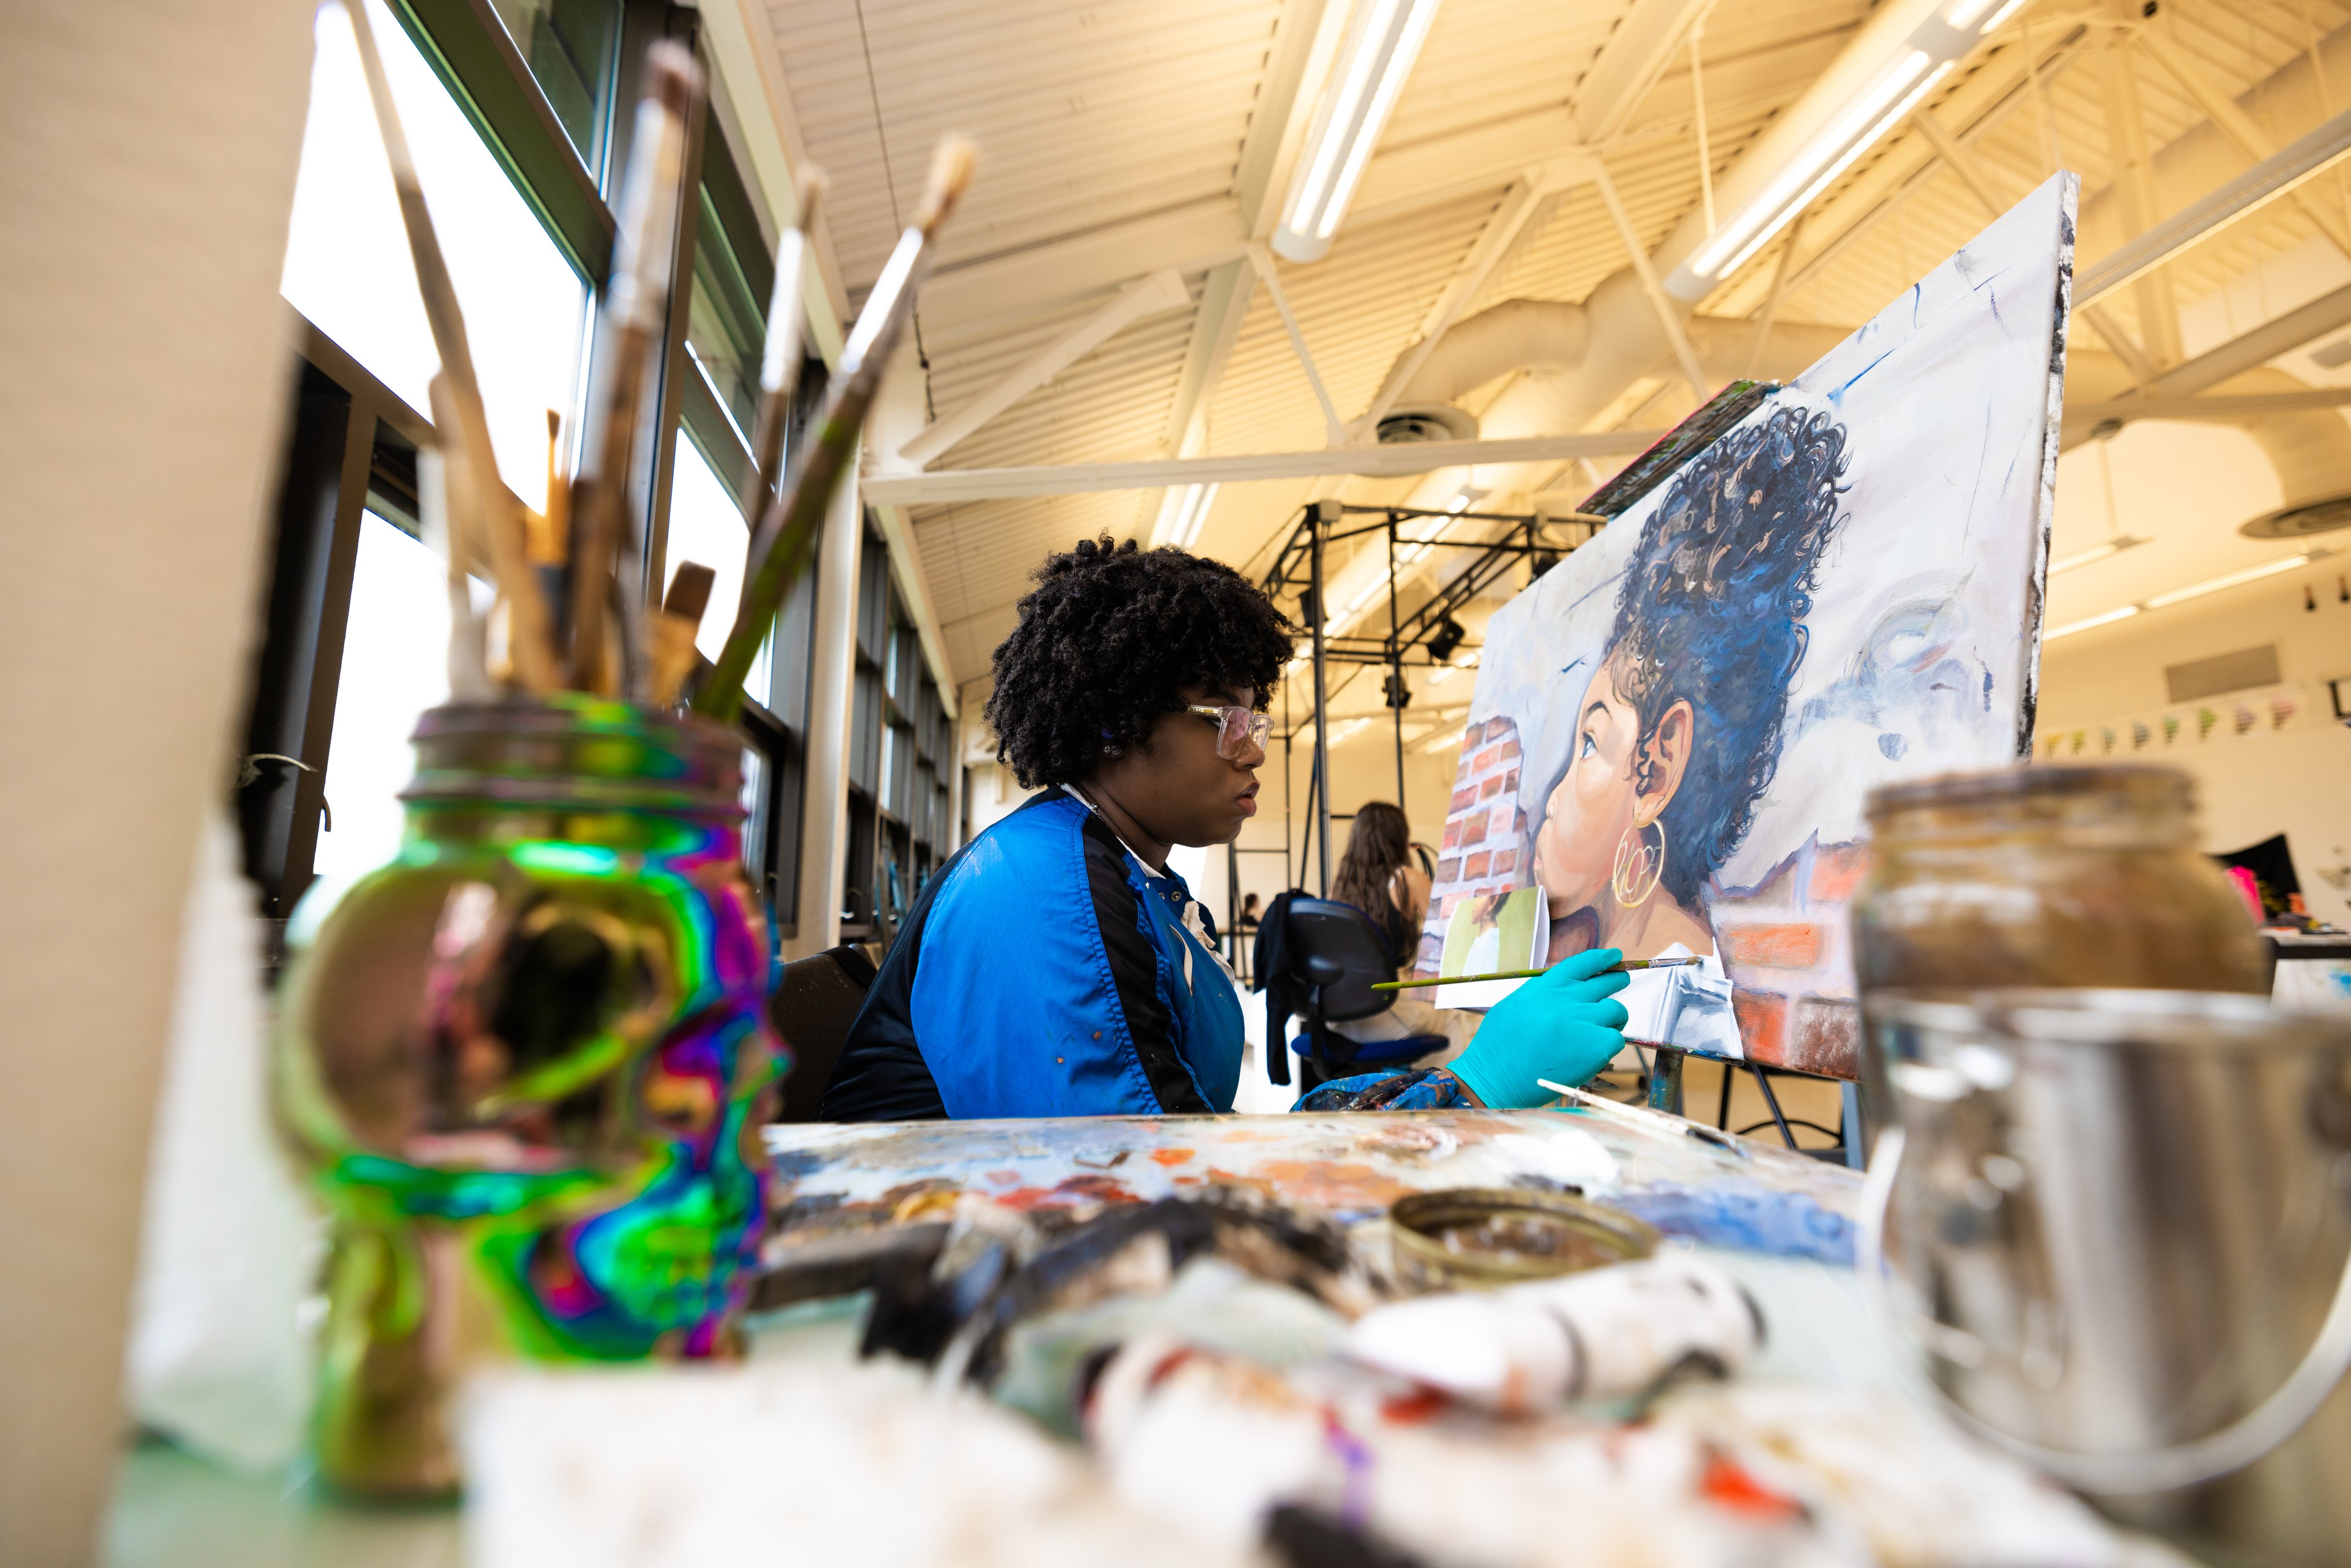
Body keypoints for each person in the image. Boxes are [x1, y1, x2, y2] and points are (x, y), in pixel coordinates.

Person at [820, 536, 1631, 1120]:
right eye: (1224, 719)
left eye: (1256, 720)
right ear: (1115, 723)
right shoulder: (1041, 894)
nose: (1252, 751)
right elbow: (1143, 1196)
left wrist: (1440, 1086)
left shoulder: (1129, 877)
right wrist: (1470, 1089)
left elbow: (1200, 1133)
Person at [1528, 404, 1848, 1049]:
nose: (1554, 795)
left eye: (1590, 742)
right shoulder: (1641, 964)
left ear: (1659, 766)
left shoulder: (1686, 986)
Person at [1327, 802, 1473, 1062]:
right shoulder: (1406, 879)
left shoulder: (1339, 888)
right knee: (1464, 1015)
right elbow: (1455, 933)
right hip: (1391, 1012)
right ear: (1398, 837)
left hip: (1343, 1021)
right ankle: (1452, 1097)